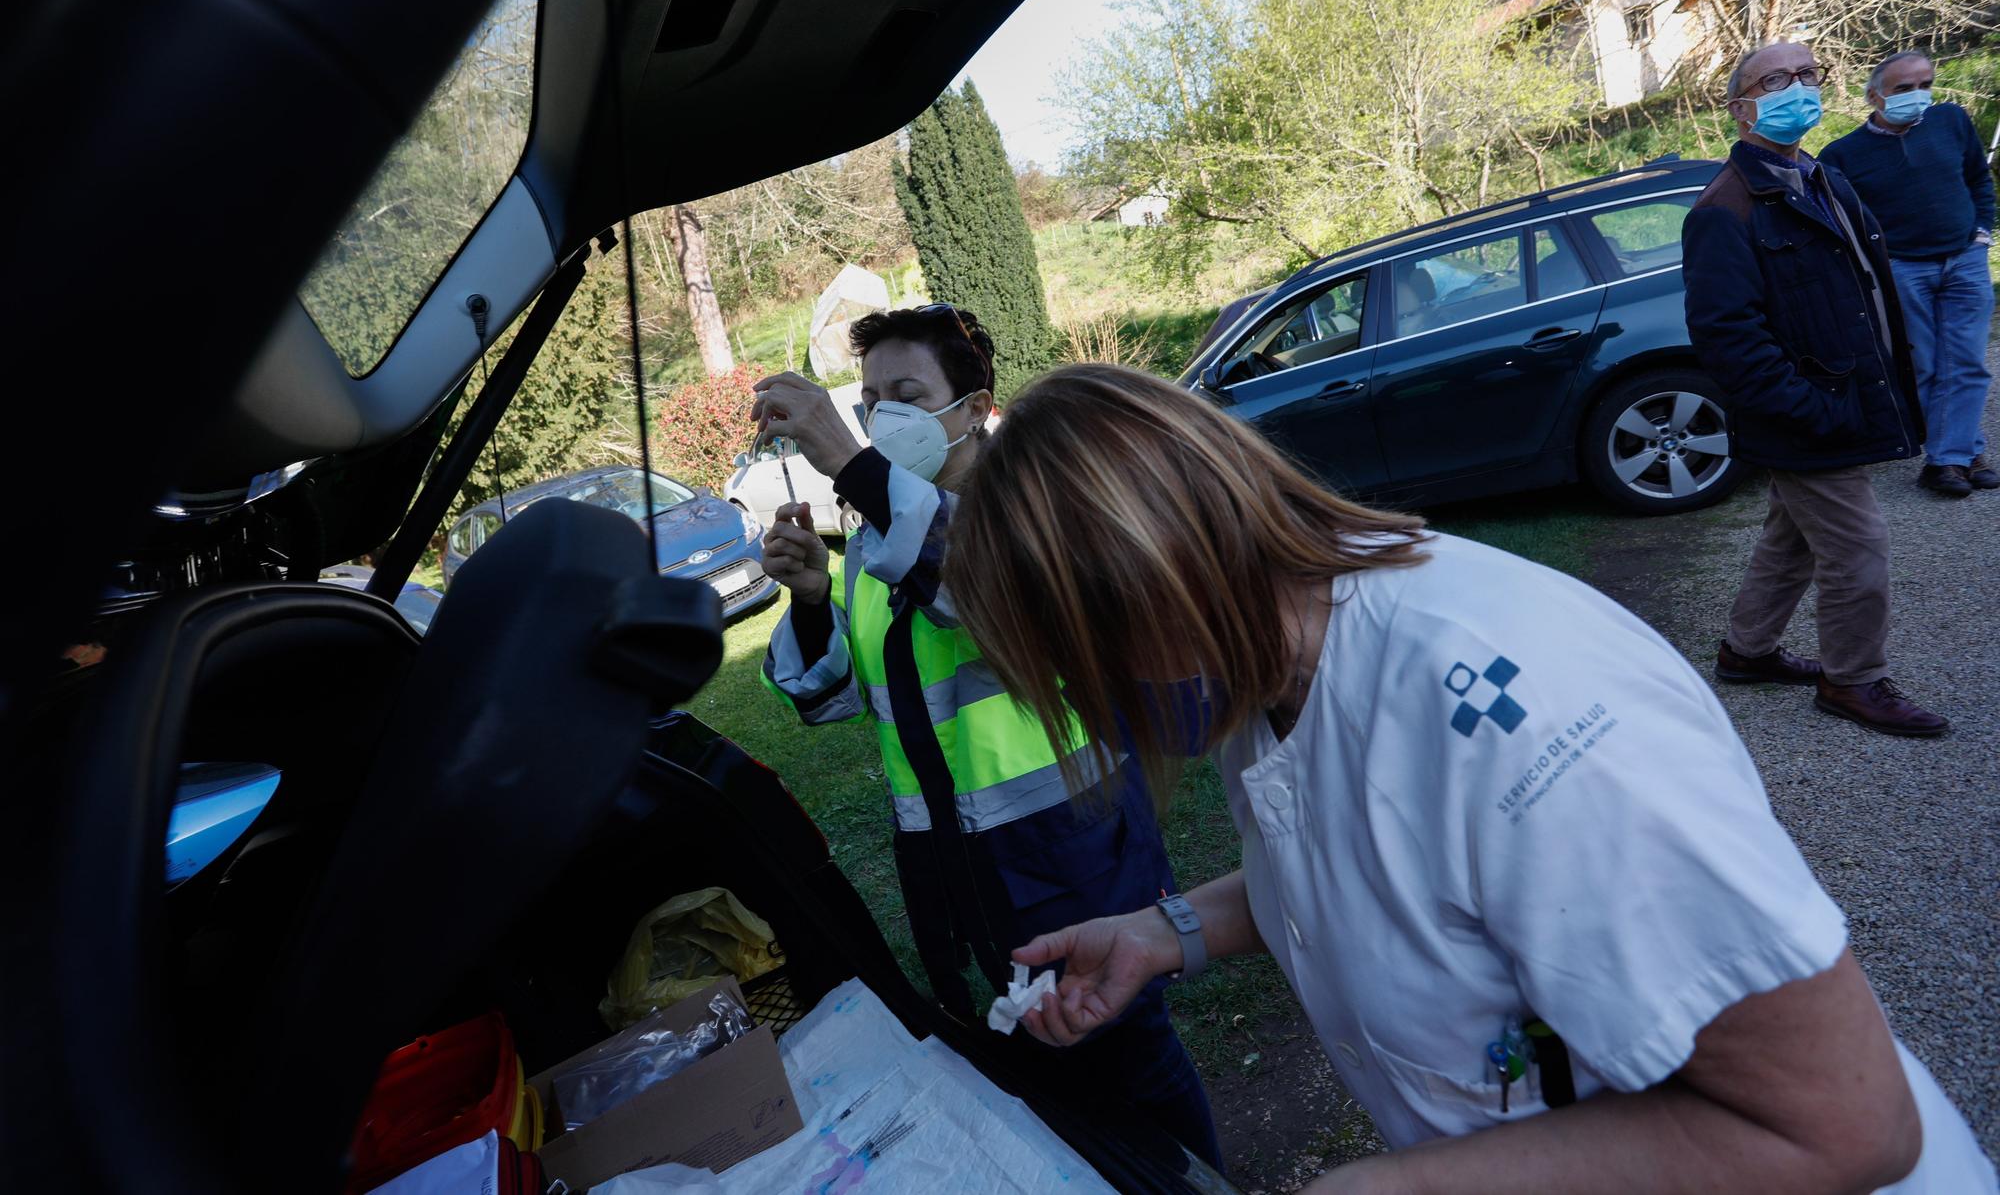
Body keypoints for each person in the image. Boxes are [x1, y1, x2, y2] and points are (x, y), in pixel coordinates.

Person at [940, 362, 1995, 1195]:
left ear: (1154, 589)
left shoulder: (1528, 723)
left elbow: (1843, 1128)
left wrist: (1398, 1186)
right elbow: (1372, 859)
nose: (1085, 705)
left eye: (1074, 666)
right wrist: (1162, 930)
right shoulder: (1264, 660)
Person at [749, 305, 1221, 1168]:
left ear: (971, 409)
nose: (881, 415)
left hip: (1073, 860)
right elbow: (832, 699)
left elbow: (980, 585)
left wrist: (847, 460)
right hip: (951, 877)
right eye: (867, 399)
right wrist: (815, 599)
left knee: (1130, 1067)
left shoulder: (1033, 511)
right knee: (1035, 1089)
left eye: (906, 394)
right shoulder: (876, 542)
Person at [1682, 40, 1948, 738]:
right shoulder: (1725, 208)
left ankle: (1747, 650)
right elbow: (1727, 338)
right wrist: (1813, 410)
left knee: (1791, 536)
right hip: (1807, 415)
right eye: (1776, 79)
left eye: (1806, 74)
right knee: (1857, 548)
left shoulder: (1817, 174)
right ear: (1742, 108)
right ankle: (1852, 680)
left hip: (1842, 397)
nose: (1798, 87)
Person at [1821, 49, 1998, 496]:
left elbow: (1979, 178)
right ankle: (1966, 452)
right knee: (1925, 366)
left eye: (1925, 84)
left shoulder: (1951, 121)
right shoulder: (1843, 154)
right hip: (1903, 270)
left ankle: (1944, 462)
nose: (1918, 95)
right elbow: (1844, 222)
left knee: (1967, 362)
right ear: (1875, 97)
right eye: (1904, 88)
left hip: (1965, 259)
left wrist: (1981, 232)